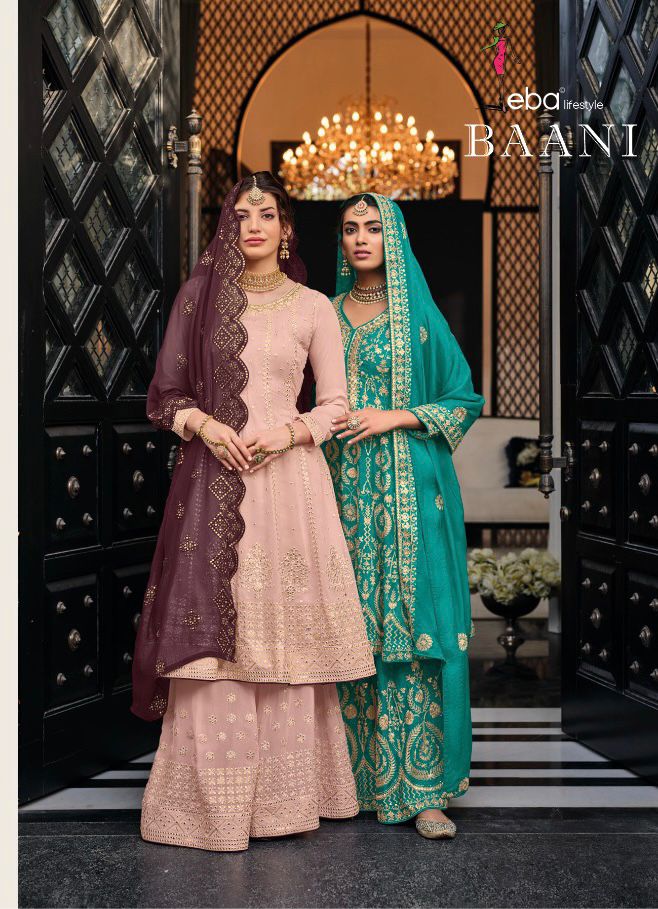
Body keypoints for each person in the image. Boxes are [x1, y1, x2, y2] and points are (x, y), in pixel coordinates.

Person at [131, 172, 375, 852]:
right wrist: (208, 427)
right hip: (215, 478)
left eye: (266, 214)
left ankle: (284, 803)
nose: (254, 226)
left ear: (286, 228)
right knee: (216, 633)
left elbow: (336, 404)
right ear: (227, 227)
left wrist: (289, 433)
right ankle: (209, 805)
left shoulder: (313, 307)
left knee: (285, 629)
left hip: (291, 484)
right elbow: (165, 396)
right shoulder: (200, 299)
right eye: (241, 215)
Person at [325, 193, 484, 839]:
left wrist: (396, 416)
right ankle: (344, 782)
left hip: (409, 494)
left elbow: (462, 398)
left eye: (373, 227)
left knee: (412, 625)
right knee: (344, 627)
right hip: (337, 492)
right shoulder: (324, 312)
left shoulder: (418, 316)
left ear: (394, 238)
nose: (361, 238)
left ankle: (423, 789)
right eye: (350, 228)